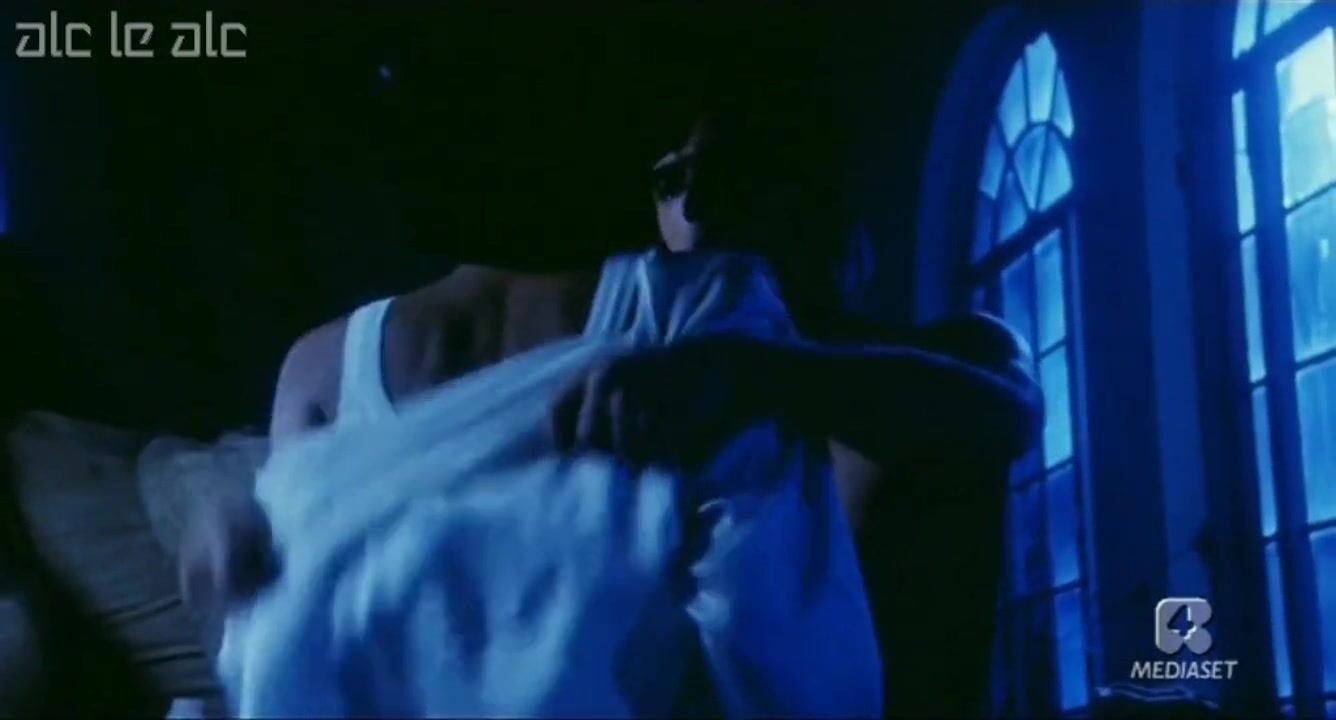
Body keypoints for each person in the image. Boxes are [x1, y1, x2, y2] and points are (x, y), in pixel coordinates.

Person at [179, 105, 1042, 717]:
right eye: (674, 181)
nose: (698, 205)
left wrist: (762, 374)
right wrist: (252, 539)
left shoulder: (909, 361)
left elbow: (1005, 408)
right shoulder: (631, 359)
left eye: (737, 174)